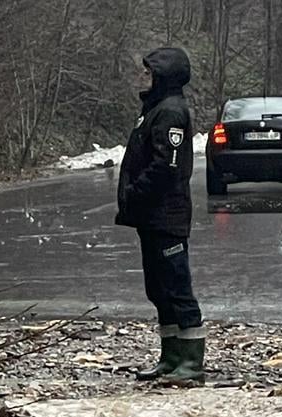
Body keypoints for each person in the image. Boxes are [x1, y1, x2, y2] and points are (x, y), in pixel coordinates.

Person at [116, 47, 206, 384]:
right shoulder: (153, 108)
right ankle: (170, 357)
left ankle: (191, 363)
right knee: (158, 288)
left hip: (167, 215)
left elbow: (165, 166)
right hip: (150, 217)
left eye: (149, 72)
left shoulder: (170, 111)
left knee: (177, 285)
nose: (143, 77)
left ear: (164, 76)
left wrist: (136, 192)